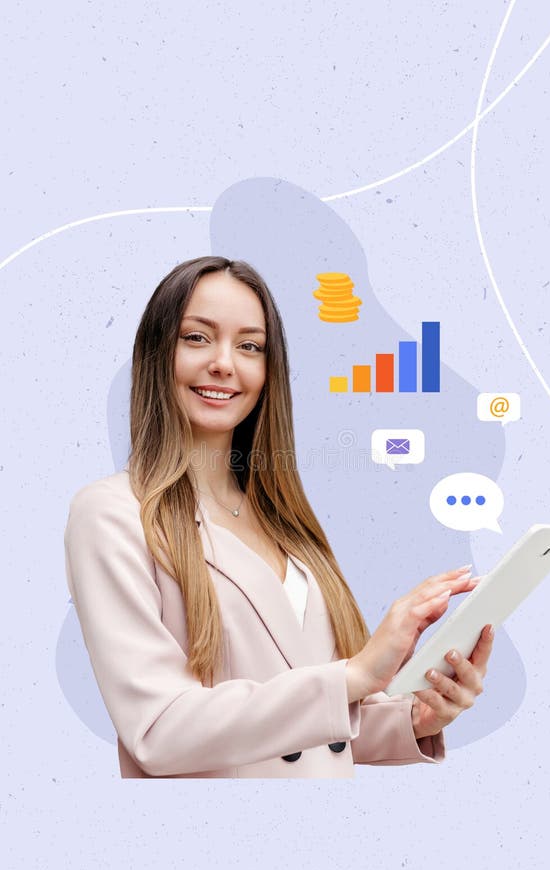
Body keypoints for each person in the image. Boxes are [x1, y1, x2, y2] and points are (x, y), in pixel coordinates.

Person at [63, 255, 494, 778]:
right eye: (197, 337)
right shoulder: (113, 514)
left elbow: (309, 731)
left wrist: (415, 717)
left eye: (249, 346)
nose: (225, 363)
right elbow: (158, 730)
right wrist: (354, 676)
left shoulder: (283, 521)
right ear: (157, 353)